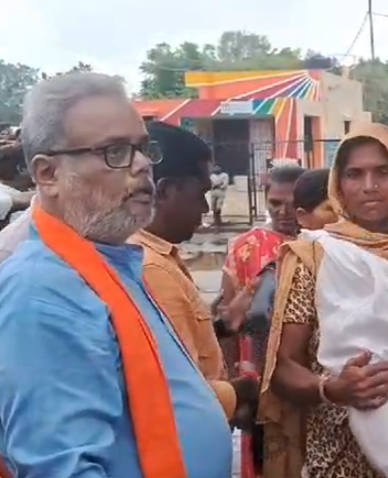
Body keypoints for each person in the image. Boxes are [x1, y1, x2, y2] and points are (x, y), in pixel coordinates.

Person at [0, 73, 231, 477]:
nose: (143, 165)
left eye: (142, 148)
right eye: (115, 151)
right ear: (48, 174)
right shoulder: (42, 292)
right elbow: (65, 468)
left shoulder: (108, 262)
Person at [258, 123, 388, 478]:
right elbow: (283, 366)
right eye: (354, 174)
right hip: (340, 457)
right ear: (338, 184)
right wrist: (333, 388)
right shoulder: (316, 257)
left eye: (383, 172)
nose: (370, 186)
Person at [128, 120, 260, 426]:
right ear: (165, 192)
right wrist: (246, 390)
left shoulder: (158, 255)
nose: (204, 208)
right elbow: (179, 393)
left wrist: (223, 325)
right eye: (200, 194)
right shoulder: (150, 268)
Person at [219, 162, 306, 477]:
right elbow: (229, 316)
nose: (283, 211)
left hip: (307, 370)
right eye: (275, 203)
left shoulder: (321, 244)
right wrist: (233, 382)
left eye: (292, 204)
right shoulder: (246, 246)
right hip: (257, 374)